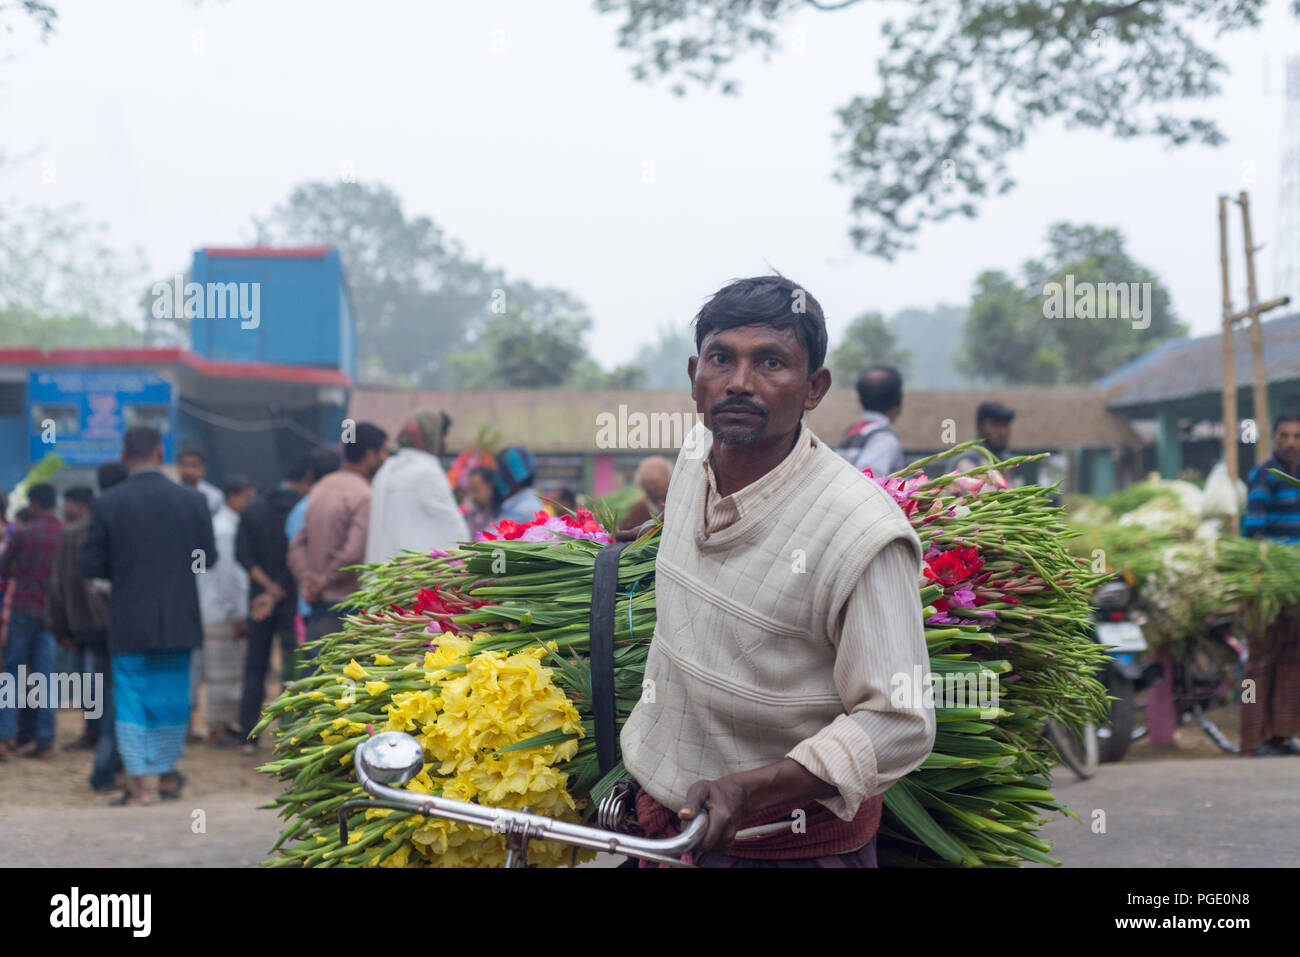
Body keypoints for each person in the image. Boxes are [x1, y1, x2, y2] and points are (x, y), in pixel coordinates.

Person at [618, 275, 935, 867]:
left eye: (770, 362)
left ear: (814, 387)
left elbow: (900, 721)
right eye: (721, 359)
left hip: (787, 848)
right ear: (695, 376)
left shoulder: (860, 531)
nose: (739, 383)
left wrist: (751, 788)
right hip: (663, 822)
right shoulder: (692, 458)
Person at [78, 426, 216, 806]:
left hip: (129, 618)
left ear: (125, 457)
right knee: (171, 697)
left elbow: (89, 563)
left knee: (131, 697)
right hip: (178, 617)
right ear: (160, 454)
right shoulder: (192, 502)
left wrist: (125, 570)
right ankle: (169, 776)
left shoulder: (108, 503)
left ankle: (138, 786)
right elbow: (208, 559)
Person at [287, 424, 386, 665]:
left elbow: (297, 545)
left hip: (317, 603)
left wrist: (308, 579)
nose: (386, 459)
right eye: (383, 452)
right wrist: (323, 580)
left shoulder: (321, 487)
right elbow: (353, 551)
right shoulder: (364, 494)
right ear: (370, 454)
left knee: (316, 679)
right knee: (341, 685)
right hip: (346, 604)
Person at [237, 456, 314, 752]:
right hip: (292, 599)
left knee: (255, 665)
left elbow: (242, 555)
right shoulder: (304, 511)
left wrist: (267, 588)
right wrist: (280, 588)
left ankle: (249, 734)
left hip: (258, 599)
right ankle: (288, 732)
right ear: (306, 477)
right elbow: (299, 554)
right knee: (291, 666)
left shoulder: (253, 508)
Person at [1240, 409, 1300, 756]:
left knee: (1292, 656)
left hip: (1295, 586)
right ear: (1274, 438)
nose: (1291, 442)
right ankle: (1253, 737)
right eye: (1284, 436)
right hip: (1269, 583)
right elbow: (1254, 529)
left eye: (1297, 436)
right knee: (1260, 659)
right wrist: (1268, 572)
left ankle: (1282, 733)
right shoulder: (1265, 475)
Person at [0, 482, 63, 760]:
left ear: (34, 504)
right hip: (50, 613)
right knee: (46, 677)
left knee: (11, 673)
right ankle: (45, 742)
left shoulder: (23, 534)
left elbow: (5, 567)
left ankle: (4, 738)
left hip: (23, 608)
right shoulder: (64, 534)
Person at [46, 487, 107, 753]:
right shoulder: (109, 526)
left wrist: (59, 627)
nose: (63, 509)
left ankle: (95, 732)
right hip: (112, 619)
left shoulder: (72, 535)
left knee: (90, 680)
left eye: (67, 503)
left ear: (80, 505)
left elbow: (60, 583)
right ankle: (105, 732)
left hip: (83, 620)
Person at [365, 409, 468, 563]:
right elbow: (455, 533)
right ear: (431, 437)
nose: (444, 443)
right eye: (443, 436)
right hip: (415, 579)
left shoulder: (386, 470)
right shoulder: (428, 472)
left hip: (384, 575)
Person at [198, 476, 254, 746]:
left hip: (221, 608)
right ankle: (217, 729)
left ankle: (225, 725)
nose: (250, 503)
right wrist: (236, 612)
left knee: (230, 671)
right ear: (233, 496)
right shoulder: (225, 530)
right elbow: (226, 577)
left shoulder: (227, 526)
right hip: (222, 610)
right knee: (221, 673)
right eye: (247, 496)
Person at [835, 365, 906, 476]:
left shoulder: (852, 432)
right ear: (899, 399)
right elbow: (871, 479)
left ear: (860, 400)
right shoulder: (884, 439)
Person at [946, 401, 1023, 488]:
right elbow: (985, 498)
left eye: (1005, 426)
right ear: (980, 428)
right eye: (995, 425)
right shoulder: (966, 462)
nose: (1002, 432)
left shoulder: (1004, 459)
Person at [617, 456, 672, 531]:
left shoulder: (677, 506)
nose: (653, 487)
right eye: (648, 482)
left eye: (654, 482)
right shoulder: (637, 510)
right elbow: (622, 533)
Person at [493, 447, 544, 523]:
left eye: (497, 471)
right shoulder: (524, 501)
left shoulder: (524, 508)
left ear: (506, 474)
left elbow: (490, 533)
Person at [177, 446, 224, 516]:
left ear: (203, 468)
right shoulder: (171, 494)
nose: (188, 470)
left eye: (194, 465)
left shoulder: (214, 496)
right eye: (184, 465)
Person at [460, 465, 498, 540]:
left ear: (490, 487)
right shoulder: (468, 516)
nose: (472, 496)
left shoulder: (499, 517)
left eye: (475, 490)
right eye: (469, 491)